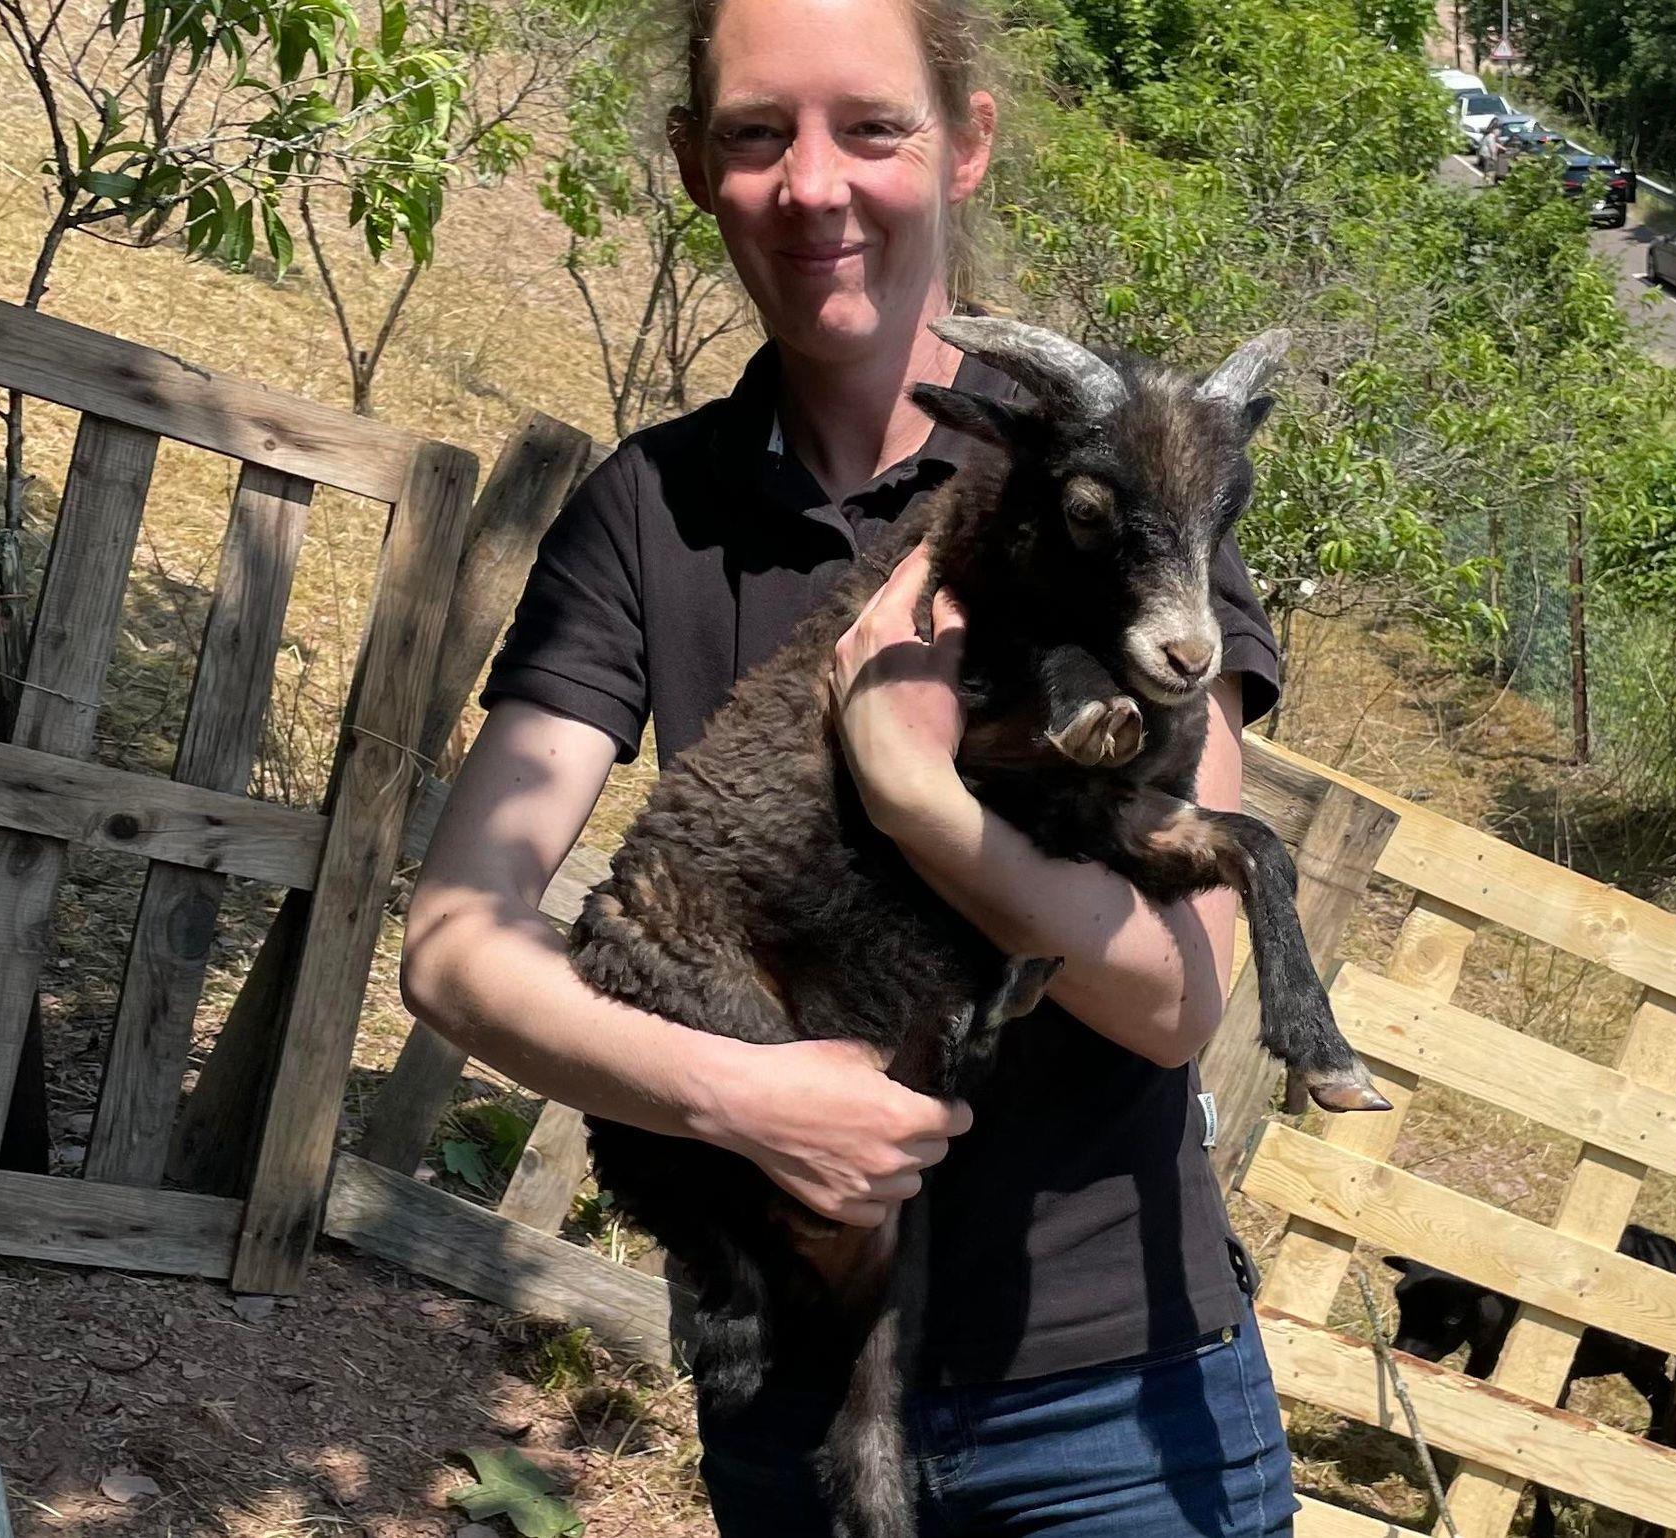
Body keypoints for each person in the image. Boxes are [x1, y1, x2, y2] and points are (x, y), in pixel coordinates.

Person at [399, 0, 1300, 1530]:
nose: (814, 185)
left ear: (966, 144)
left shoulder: (1121, 475)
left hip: (1115, 1420)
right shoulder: (649, 511)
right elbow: (454, 946)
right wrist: (739, 1093)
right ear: (695, 164)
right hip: (800, 1412)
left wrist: (918, 796)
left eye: (872, 126)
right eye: (758, 133)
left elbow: (1177, 995)